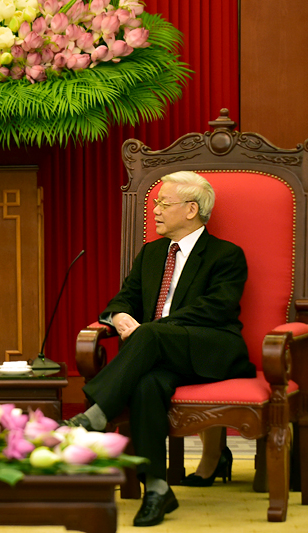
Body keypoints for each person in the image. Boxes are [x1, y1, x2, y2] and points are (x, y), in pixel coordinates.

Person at [68, 171, 255, 527]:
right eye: (155, 203)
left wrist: (150, 330)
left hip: (210, 349)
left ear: (191, 209)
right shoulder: (152, 254)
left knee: (151, 335)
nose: (154, 210)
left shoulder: (226, 255)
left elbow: (216, 309)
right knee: (146, 384)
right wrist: (120, 316)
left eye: (162, 203)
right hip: (158, 354)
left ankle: (96, 414)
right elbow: (125, 298)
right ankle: (157, 488)